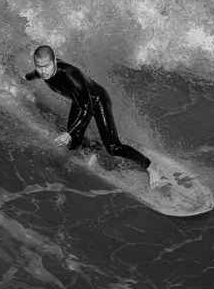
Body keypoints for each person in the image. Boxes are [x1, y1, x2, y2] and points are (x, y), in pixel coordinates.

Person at [23, 45, 167, 189]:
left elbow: (87, 109)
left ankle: (150, 167)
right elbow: (34, 74)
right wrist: (24, 78)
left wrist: (68, 133)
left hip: (97, 102)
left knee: (113, 147)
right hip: (80, 102)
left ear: (54, 61)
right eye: (39, 66)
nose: (43, 71)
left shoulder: (70, 76)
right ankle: (96, 148)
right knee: (73, 144)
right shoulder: (42, 71)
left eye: (46, 66)